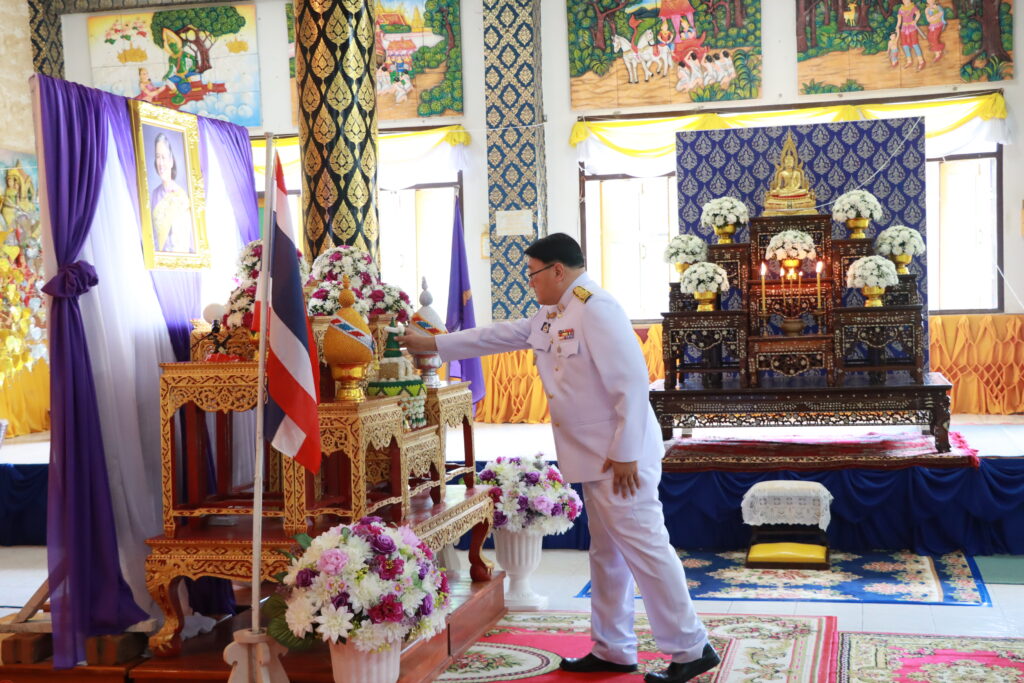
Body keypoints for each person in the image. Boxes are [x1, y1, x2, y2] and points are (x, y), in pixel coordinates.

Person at [398, 234, 719, 683]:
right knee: (606, 554)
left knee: (647, 550)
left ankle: (691, 647)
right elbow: (499, 335)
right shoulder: (554, 312)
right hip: (596, 457)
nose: (530, 282)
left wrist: (626, 452)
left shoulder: (596, 308)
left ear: (557, 270)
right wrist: (434, 344)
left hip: (618, 459)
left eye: (533, 273)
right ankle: (612, 648)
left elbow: (630, 383)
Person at [149, 132, 193, 253]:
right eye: (157, 157)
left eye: (163, 157)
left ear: (171, 161)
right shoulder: (154, 195)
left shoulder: (182, 196)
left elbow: (184, 239)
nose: (160, 163)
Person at [895, 0, 925, 71]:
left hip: (912, 28)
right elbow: (899, 20)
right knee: (905, 45)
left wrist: (915, 20)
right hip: (903, 28)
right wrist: (897, 26)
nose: (905, 1)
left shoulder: (913, 7)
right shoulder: (901, 9)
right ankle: (909, 61)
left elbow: (918, 14)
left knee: (915, 44)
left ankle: (921, 61)